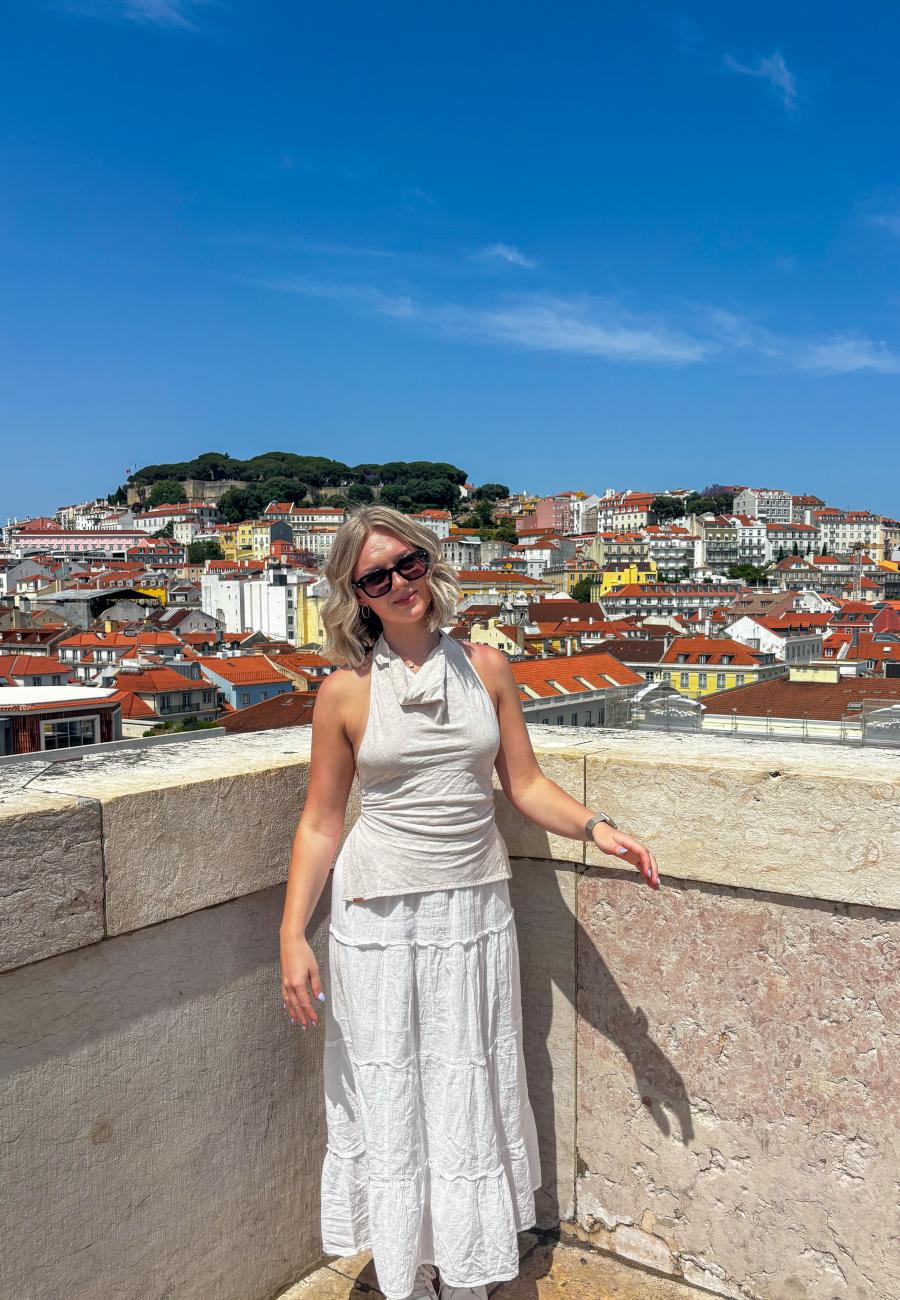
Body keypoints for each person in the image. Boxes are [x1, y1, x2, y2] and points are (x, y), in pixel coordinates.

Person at [279, 505, 659, 1300]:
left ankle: (463, 1256)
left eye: (408, 564)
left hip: (472, 909)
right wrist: (293, 935)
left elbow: (522, 785)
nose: (399, 585)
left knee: (466, 1080)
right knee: (392, 1083)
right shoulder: (342, 693)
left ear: (429, 565)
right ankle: (407, 1262)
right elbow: (320, 822)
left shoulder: (486, 667)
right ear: (357, 595)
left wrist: (599, 829)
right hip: (377, 915)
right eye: (376, 576)